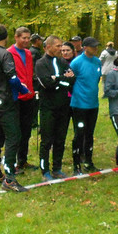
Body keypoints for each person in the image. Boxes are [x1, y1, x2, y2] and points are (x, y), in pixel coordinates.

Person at [0, 24, 29, 192]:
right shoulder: (5, 54)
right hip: (6, 103)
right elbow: (12, 78)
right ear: (7, 37)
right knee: (13, 138)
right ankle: (9, 178)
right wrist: (24, 89)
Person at [34, 36, 75, 181]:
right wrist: (62, 79)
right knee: (46, 140)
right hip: (48, 108)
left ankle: (57, 168)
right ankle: (45, 170)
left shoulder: (62, 62)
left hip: (63, 107)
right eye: (57, 46)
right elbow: (46, 84)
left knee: (60, 139)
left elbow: (72, 80)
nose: (60, 49)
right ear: (48, 46)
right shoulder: (41, 63)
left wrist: (56, 79)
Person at [69, 36, 103, 174]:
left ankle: (88, 162)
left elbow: (97, 79)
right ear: (85, 47)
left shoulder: (97, 62)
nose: (95, 48)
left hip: (93, 104)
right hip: (79, 105)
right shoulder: (76, 62)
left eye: (96, 46)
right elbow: (70, 80)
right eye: (93, 46)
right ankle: (76, 164)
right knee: (79, 134)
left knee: (89, 134)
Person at [8, 27, 37, 172]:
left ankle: (22, 160)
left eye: (28, 38)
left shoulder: (28, 53)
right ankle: (12, 163)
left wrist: (33, 89)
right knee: (15, 132)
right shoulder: (9, 53)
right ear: (16, 37)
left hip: (29, 97)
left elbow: (30, 73)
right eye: (23, 38)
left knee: (26, 131)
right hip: (16, 98)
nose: (26, 40)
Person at [29, 33, 44, 129]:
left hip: (35, 80)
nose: (42, 42)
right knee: (35, 102)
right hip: (35, 81)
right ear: (37, 41)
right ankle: (33, 122)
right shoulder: (34, 52)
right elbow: (34, 67)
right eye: (40, 40)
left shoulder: (34, 51)